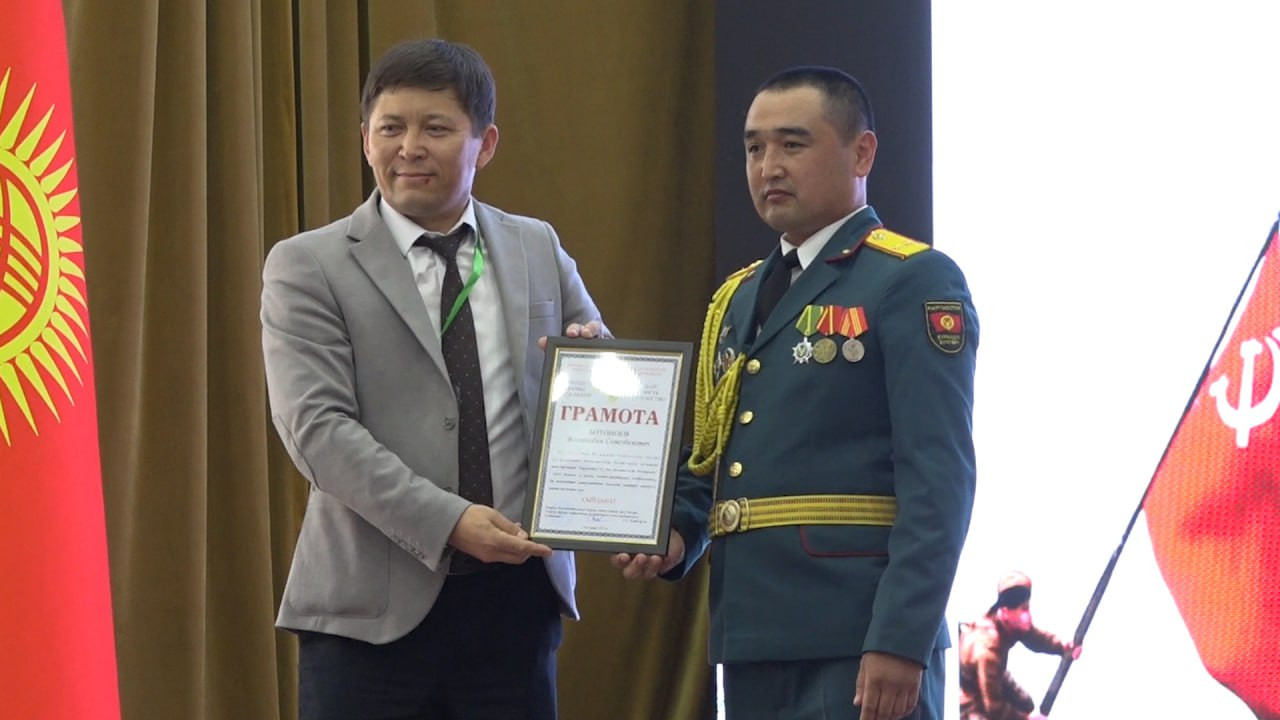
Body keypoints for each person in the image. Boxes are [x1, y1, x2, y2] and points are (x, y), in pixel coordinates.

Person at [612, 66, 978, 720]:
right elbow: (716, 457)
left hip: (858, 637)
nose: (768, 166)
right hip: (753, 635)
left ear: (861, 153)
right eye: (754, 147)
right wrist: (675, 531)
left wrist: (901, 636)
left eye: (792, 144)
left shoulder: (911, 279)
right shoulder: (738, 297)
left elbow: (939, 478)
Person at [260, 38, 606, 720]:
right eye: (391, 127)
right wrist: (449, 522)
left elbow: (610, 379)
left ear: (486, 143)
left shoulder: (536, 245)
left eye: (436, 129)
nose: (410, 148)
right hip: (368, 616)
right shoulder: (308, 265)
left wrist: (598, 369)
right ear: (365, 139)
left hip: (515, 605)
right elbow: (317, 431)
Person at [957, 572, 1082, 720]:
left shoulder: (1010, 621)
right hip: (970, 695)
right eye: (1023, 609)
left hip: (994, 674)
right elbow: (994, 707)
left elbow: (1036, 638)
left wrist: (1063, 647)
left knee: (1025, 704)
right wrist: (1025, 719)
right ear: (1005, 612)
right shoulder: (987, 649)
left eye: (1027, 608)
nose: (1028, 616)